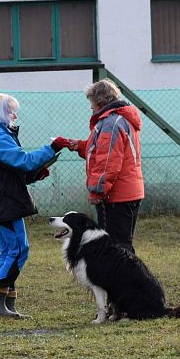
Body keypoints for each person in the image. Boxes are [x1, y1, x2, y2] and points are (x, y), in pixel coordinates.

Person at [0, 93, 72, 318]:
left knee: (12, 250)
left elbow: (7, 172)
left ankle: (5, 303)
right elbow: (23, 161)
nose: (14, 115)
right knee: (17, 250)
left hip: (3, 199)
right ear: (0, 113)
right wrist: (51, 147)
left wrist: (35, 175)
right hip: (4, 202)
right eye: (10, 111)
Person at [61, 79, 144, 254]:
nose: (91, 107)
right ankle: (129, 280)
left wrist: (97, 191)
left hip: (116, 196)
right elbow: (104, 151)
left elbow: (107, 162)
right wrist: (81, 146)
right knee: (123, 243)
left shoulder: (110, 124)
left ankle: (124, 281)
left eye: (91, 102)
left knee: (115, 247)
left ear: (100, 101)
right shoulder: (121, 120)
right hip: (129, 191)